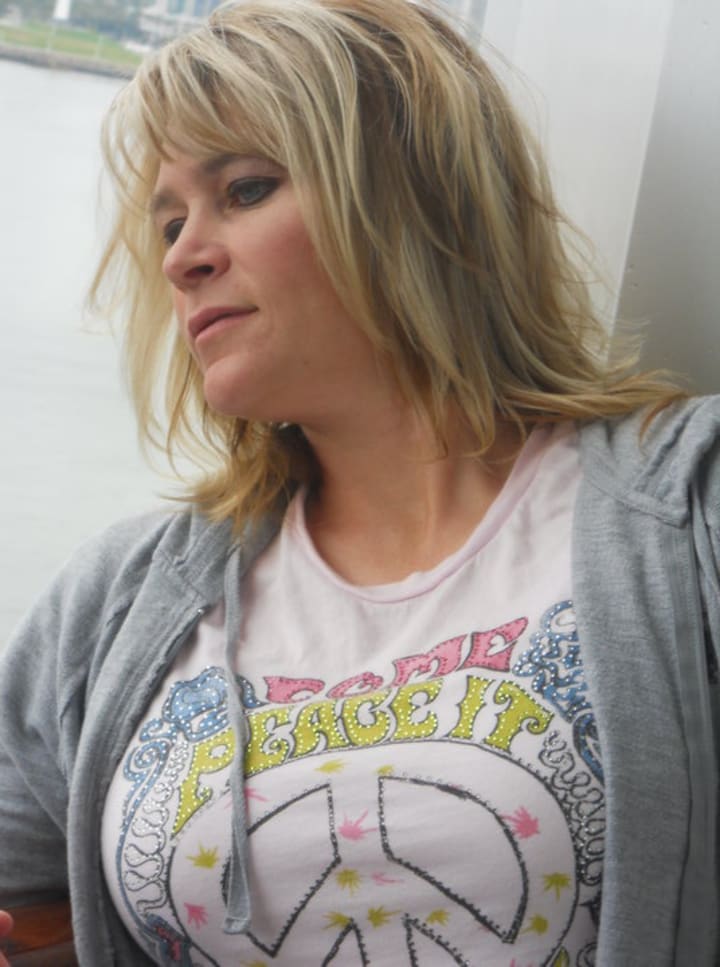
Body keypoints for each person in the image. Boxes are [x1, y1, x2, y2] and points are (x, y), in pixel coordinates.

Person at [1, 0, 718, 964]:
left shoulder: (686, 514)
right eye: (169, 222)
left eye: (245, 189)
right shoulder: (117, 600)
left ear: (416, 199)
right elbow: (34, 906)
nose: (181, 256)